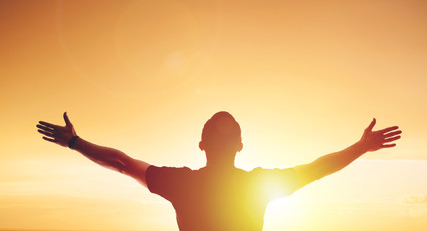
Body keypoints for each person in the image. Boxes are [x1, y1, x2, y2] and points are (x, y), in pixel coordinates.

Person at [36, 111, 401, 231]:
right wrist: (360, 147)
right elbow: (317, 169)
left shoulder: (180, 183)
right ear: (240, 146)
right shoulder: (259, 185)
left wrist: (75, 143)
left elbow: (122, 163)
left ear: (201, 145)